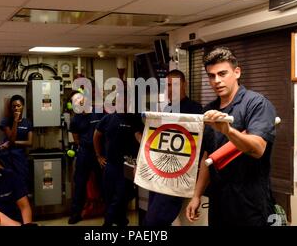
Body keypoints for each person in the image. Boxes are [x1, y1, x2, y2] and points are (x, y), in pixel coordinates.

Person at [185, 47, 277, 226]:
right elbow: (207, 156)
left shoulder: (256, 104)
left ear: (237, 72)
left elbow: (258, 149)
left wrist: (228, 131)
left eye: (222, 73)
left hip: (250, 206)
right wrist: (196, 195)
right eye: (211, 76)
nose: (217, 81)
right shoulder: (209, 111)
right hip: (220, 204)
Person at [143, 69, 203, 227]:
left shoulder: (196, 110)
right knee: (151, 216)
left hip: (177, 175)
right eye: (167, 85)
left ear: (184, 84)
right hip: (159, 174)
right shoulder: (165, 110)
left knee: (154, 221)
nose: (169, 89)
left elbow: (199, 146)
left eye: (174, 85)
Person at [93, 90, 143, 227]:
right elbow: (96, 136)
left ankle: (107, 223)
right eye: (121, 101)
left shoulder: (134, 119)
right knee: (109, 196)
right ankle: (121, 221)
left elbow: (140, 138)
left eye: (127, 101)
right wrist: (99, 156)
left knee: (122, 195)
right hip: (110, 165)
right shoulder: (107, 119)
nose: (124, 104)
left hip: (127, 165)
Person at [67, 90, 105, 224]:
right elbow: (76, 139)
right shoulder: (75, 120)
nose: (78, 101)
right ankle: (76, 214)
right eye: (74, 100)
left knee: (104, 183)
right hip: (84, 153)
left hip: (100, 153)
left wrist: (100, 152)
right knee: (80, 184)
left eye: (79, 98)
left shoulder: (99, 112)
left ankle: (110, 213)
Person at [0, 95, 32, 189]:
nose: (16, 108)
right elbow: (12, 138)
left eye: (18, 105)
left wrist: (11, 143)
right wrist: (15, 121)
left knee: (22, 181)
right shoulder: (6, 121)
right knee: (9, 183)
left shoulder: (27, 123)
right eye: (14, 106)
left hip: (21, 157)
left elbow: (29, 143)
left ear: (23, 106)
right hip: (8, 157)